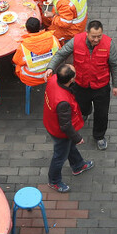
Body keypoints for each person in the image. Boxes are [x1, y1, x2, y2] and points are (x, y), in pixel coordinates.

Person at [43, 20, 117, 150]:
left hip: (101, 86)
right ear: (87, 33)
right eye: (93, 36)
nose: (96, 39)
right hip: (80, 84)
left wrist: (116, 85)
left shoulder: (108, 44)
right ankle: (85, 113)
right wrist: (51, 67)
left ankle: (99, 136)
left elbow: (115, 65)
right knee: (81, 107)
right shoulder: (76, 41)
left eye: (99, 36)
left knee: (102, 114)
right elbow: (61, 54)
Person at [42, 64, 94, 193]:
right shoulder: (63, 102)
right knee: (59, 156)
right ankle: (54, 181)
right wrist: (77, 137)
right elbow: (65, 125)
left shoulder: (54, 79)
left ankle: (78, 165)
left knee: (69, 147)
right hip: (59, 132)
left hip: (50, 122)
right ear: (70, 80)